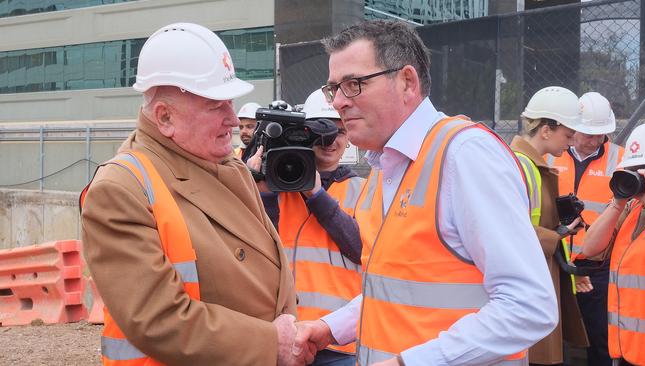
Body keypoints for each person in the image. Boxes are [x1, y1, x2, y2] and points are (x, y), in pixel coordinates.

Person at [294, 19, 558, 366]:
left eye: (354, 84)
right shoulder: (384, 165)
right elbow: (394, 290)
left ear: (407, 81)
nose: (338, 102)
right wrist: (331, 327)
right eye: (334, 89)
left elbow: (529, 306)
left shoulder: (464, 155)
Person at [80, 23, 312, 366]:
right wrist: (271, 343)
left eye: (230, 103)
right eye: (215, 106)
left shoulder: (230, 168)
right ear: (165, 117)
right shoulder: (121, 189)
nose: (233, 120)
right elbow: (159, 320)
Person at [247, 88, 364, 366]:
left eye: (339, 131)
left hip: (339, 342)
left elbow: (361, 249)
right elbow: (259, 246)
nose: (329, 140)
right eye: (319, 132)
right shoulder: (276, 188)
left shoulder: (363, 188)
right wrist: (262, 189)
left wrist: (316, 194)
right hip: (285, 336)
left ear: (348, 139)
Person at [510, 86, 590, 365]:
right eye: (568, 135)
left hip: (536, 279)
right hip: (527, 285)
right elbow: (509, 230)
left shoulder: (530, 166)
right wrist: (557, 235)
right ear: (546, 130)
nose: (570, 142)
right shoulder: (519, 166)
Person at [546, 91, 622, 366]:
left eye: (601, 135)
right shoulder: (552, 156)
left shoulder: (619, 161)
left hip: (597, 270)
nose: (596, 141)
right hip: (557, 263)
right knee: (553, 341)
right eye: (589, 134)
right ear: (572, 128)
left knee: (600, 341)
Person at [580, 122, 645, 366]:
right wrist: (618, 202)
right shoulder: (632, 210)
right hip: (626, 350)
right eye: (633, 170)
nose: (638, 178)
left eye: (644, 171)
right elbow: (589, 248)